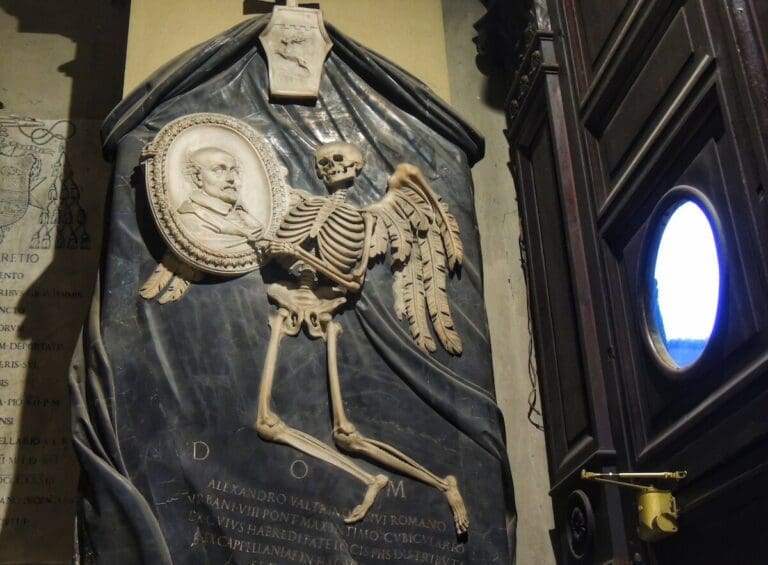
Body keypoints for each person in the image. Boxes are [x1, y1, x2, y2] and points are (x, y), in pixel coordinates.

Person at [177, 147, 263, 251]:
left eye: (233, 171)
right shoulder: (192, 219)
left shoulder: (243, 213)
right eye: (218, 171)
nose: (231, 178)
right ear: (197, 177)